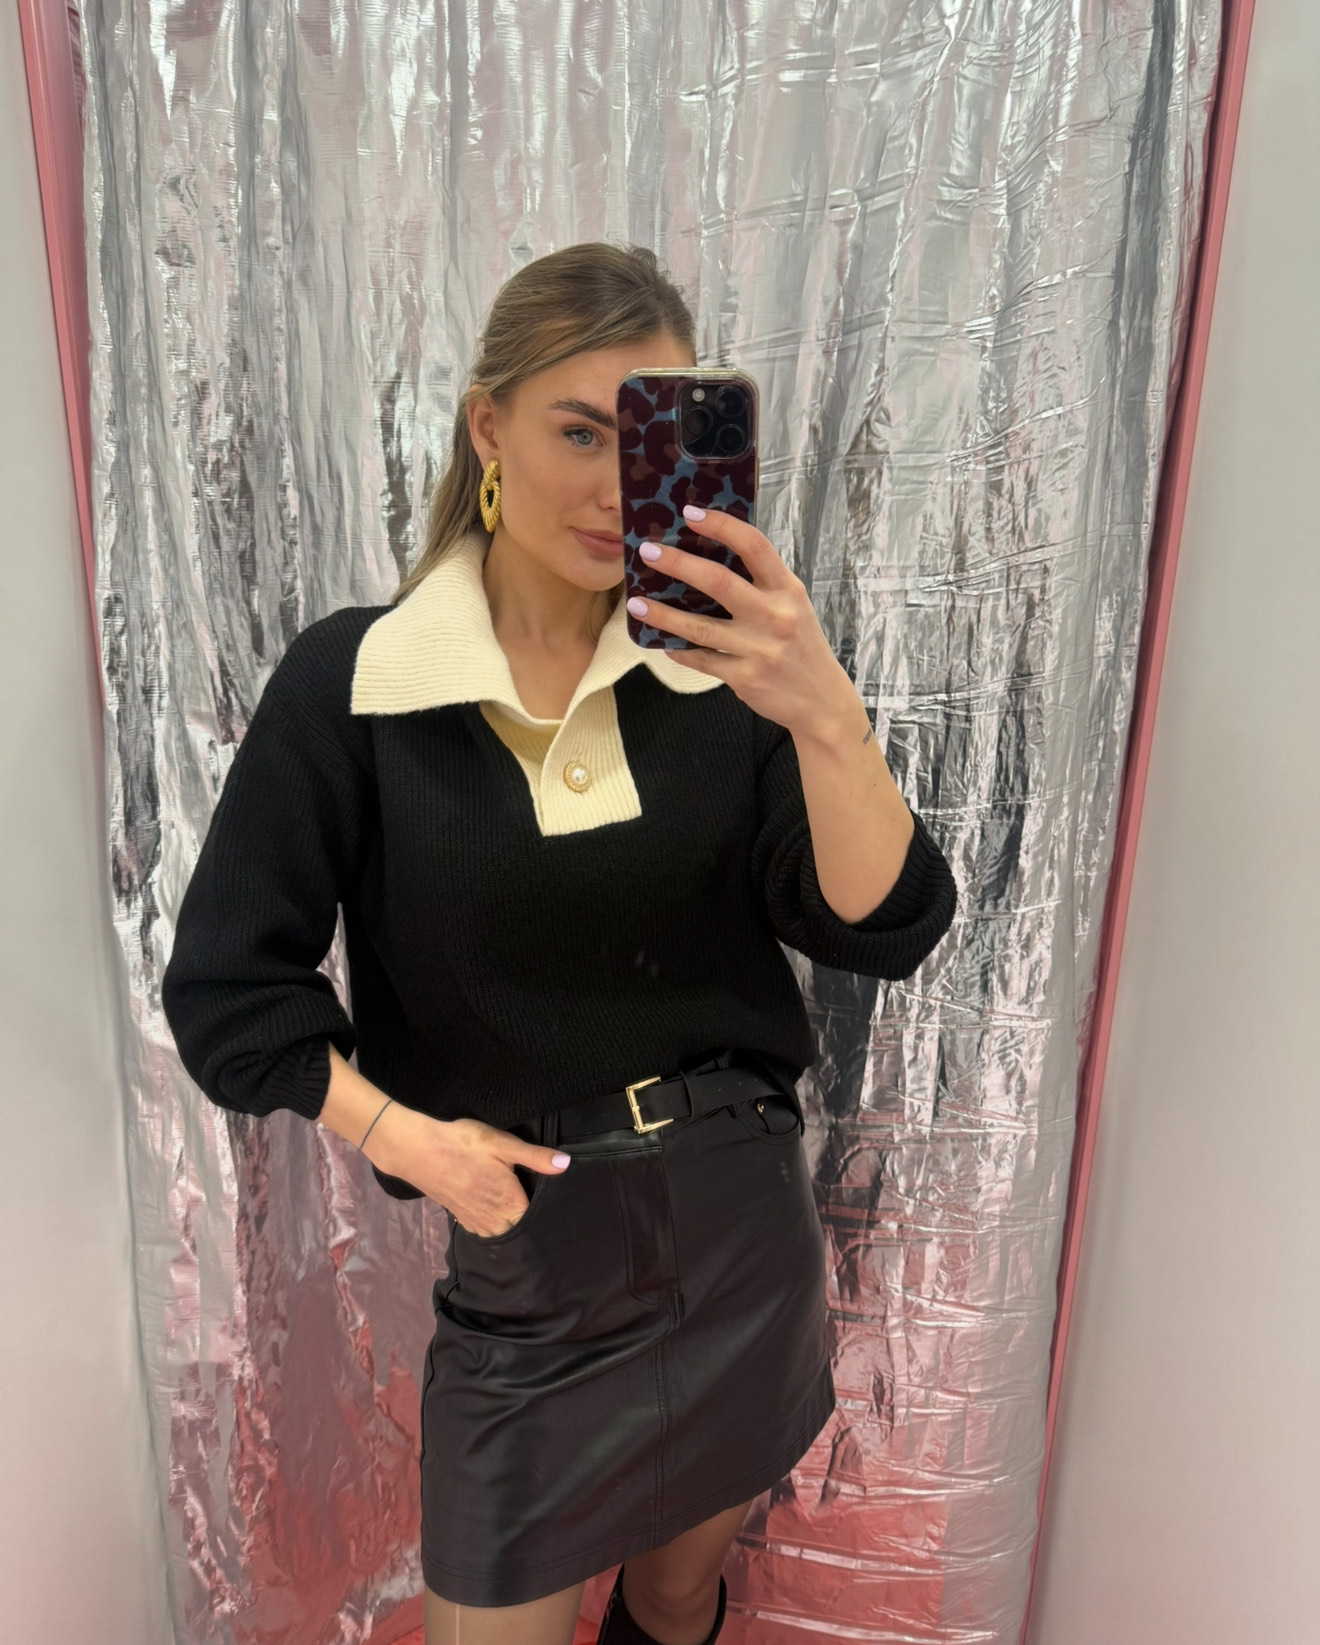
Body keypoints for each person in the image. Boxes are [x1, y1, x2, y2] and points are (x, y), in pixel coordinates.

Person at [162, 242, 957, 1645]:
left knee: (676, 1592)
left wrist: (824, 710)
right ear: (488, 427)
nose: (611, 487)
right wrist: (409, 1141)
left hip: (740, 1235)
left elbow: (881, 925)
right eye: (578, 431)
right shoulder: (361, 683)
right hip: (528, 1261)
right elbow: (231, 993)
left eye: (644, 439)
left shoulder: (719, 678)